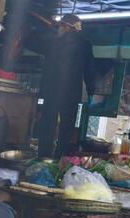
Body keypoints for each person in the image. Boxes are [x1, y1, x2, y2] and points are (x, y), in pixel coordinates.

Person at [35, 14, 96, 158]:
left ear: (69, 27)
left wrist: (41, 95)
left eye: (62, 25)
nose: (60, 28)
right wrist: (91, 91)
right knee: (66, 129)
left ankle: (43, 157)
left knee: (47, 126)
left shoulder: (53, 43)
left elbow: (46, 71)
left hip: (51, 93)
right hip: (71, 94)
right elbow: (90, 71)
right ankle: (60, 159)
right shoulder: (85, 45)